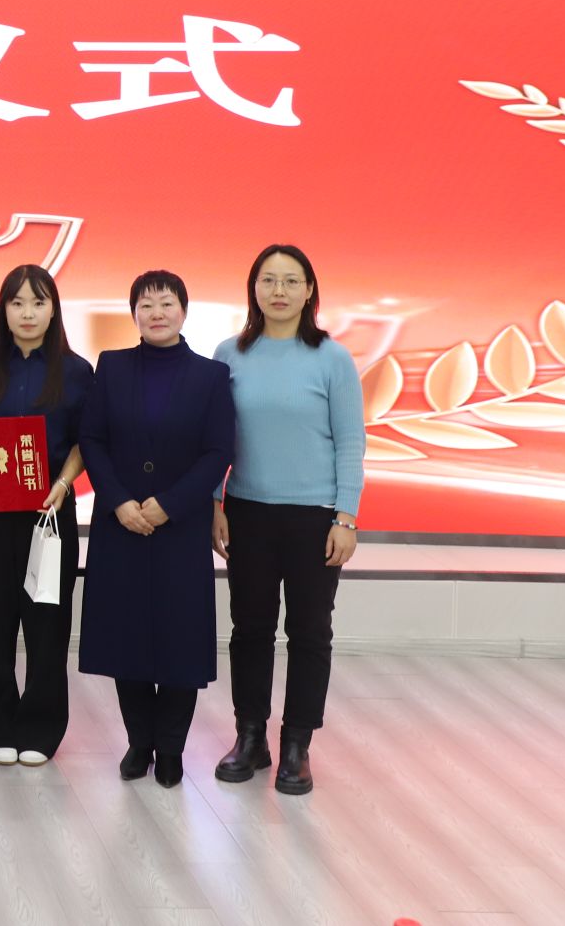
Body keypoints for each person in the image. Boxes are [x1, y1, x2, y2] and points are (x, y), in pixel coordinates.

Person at [211, 244, 366, 795]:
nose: (278, 291)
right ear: (253, 289)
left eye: (290, 280)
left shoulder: (332, 359)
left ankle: (297, 744)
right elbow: (215, 438)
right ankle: (250, 737)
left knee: (309, 631)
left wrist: (346, 516)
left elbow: (350, 442)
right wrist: (214, 502)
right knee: (250, 629)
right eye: (268, 280)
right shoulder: (229, 354)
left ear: (309, 291)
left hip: (315, 517)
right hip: (247, 512)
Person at [76, 270, 235, 789]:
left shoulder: (211, 376)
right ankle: (138, 742)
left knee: (179, 640)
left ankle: (170, 748)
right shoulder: (112, 366)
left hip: (180, 528)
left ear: (184, 311)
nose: (157, 313)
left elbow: (218, 451)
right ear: (134, 314)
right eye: (146, 305)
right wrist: (118, 501)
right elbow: (92, 440)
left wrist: (169, 505)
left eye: (167, 303)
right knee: (126, 638)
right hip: (120, 524)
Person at [0, 264, 94, 768]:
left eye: (38, 302)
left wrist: (63, 484)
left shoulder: (77, 371)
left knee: (47, 620)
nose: (28, 313)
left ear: (53, 310)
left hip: (50, 508)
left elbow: (86, 441)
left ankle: (40, 727)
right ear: (3, 311)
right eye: (17, 303)